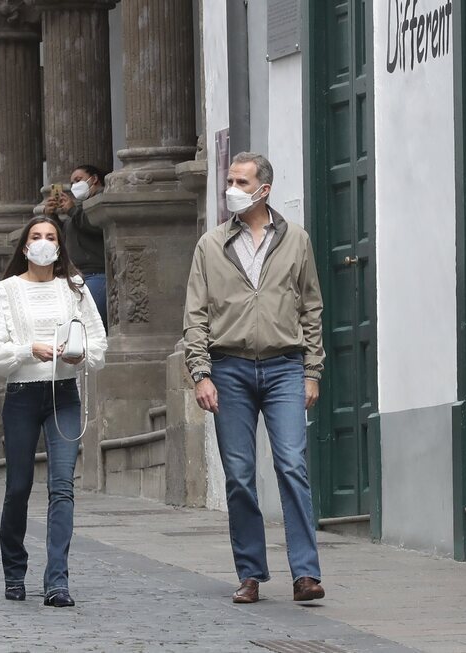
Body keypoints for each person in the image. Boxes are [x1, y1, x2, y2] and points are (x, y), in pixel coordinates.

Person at [183, 152, 327, 604]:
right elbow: (195, 314)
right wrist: (201, 373)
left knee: (292, 466)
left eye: (240, 181)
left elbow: (311, 308)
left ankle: (305, 574)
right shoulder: (211, 245)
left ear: (263, 189)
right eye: (230, 180)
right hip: (230, 369)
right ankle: (250, 573)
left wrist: (312, 370)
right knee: (240, 474)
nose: (232, 188)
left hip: (285, 366)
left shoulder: (296, 240)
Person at [0, 215, 106, 607]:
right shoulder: (4, 291)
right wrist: (26, 350)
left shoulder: (76, 290)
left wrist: (82, 356)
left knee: (62, 487)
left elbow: (99, 344)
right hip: (21, 394)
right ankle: (14, 571)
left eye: (51, 236)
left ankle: (57, 581)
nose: (44, 243)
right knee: (18, 486)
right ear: (24, 246)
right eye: (36, 236)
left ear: (60, 246)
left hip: (63, 394)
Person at [45, 165, 108, 329]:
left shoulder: (102, 200)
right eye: (72, 182)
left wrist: (72, 210)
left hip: (97, 273)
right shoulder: (80, 208)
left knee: (90, 325)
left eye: (78, 180)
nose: (74, 185)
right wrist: (52, 216)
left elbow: (96, 226)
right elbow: (65, 234)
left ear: (93, 179)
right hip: (77, 276)